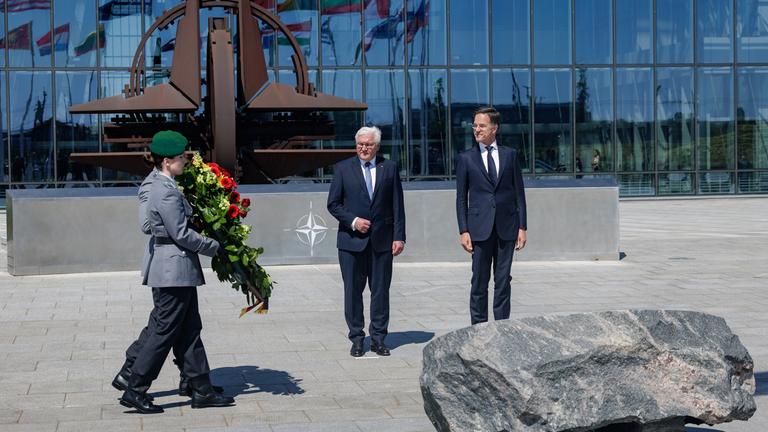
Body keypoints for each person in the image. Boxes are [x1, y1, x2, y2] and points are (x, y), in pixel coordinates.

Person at [119, 131, 234, 414]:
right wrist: (215, 246)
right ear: (168, 161)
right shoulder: (165, 191)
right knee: (164, 331)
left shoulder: (164, 184)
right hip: (173, 268)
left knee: (189, 328)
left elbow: (152, 226)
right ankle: (135, 388)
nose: (187, 160)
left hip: (172, 267)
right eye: (183, 157)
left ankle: (200, 387)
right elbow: (181, 233)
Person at [327, 126, 406, 357]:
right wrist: (353, 221)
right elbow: (333, 204)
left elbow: (397, 205)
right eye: (360, 144)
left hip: (382, 242)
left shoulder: (389, 168)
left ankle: (379, 339)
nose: (363, 148)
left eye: (368, 144)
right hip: (351, 243)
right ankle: (357, 338)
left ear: (377, 146)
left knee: (380, 292)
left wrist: (399, 236)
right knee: (353, 292)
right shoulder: (343, 169)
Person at [456, 107, 527, 325]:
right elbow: (461, 198)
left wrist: (522, 227)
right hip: (479, 229)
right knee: (479, 281)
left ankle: (502, 326)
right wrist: (464, 230)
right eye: (475, 125)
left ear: (494, 128)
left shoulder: (510, 155)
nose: (477, 129)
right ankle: (478, 328)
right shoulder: (466, 158)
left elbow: (519, 194)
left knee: (503, 280)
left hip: (507, 228)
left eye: (482, 125)